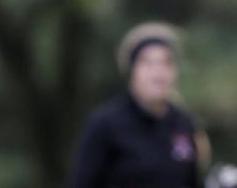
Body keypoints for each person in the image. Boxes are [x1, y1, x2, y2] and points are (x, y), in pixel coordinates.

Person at [67, 21, 207, 188]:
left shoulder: (184, 123)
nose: (158, 72)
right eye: (148, 63)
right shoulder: (105, 124)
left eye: (166, 63)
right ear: (132, 70)